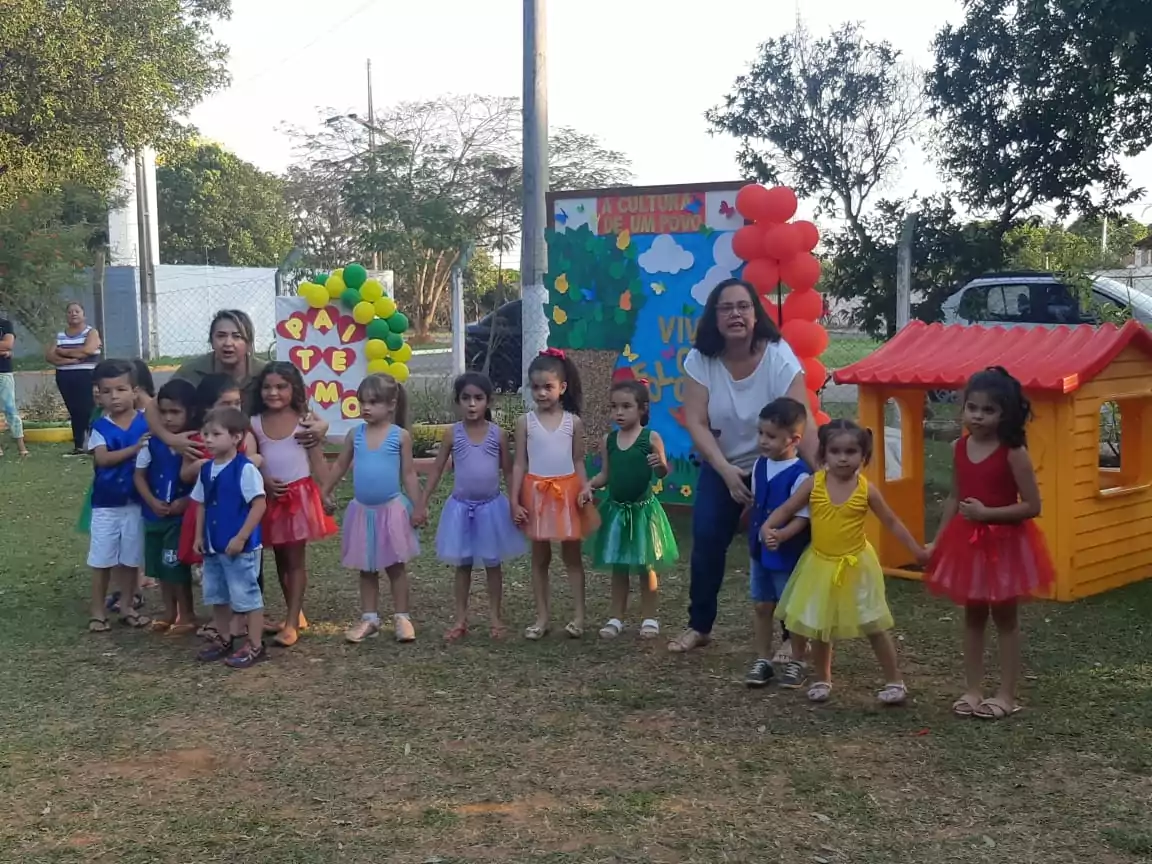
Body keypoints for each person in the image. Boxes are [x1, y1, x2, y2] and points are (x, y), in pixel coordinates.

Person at [671, 278, 818, 654]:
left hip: (780, 467)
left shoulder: (779, 355)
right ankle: (699, 625)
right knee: (705, 540)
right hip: (725, 465)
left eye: (743, 306)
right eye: (726, 307)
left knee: (785, 546)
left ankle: (791, 636)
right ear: (714, 317)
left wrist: (821, 475)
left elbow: (802, 420)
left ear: (756, 313)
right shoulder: (700, 359)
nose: (735, 314)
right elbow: (696, 422)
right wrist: (724, 471)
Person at [767, 420, 927, 705]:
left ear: (863, 456)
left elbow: (891, 521)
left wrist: (916, 549)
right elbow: (787, 509)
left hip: (856, 565)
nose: (843, 458)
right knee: (820, 625)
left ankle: (894, 680)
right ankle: (822, 678)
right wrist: (769, 528)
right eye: (835, 451)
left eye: (851, 451)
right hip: (819, 564)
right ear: (823, 455)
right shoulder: (813, 483)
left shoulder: (867, 490)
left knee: (874, 623)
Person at [925, 367, 1053, 721]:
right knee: (973, 616)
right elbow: (955, 495)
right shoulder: (959, 447)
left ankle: (1007, 694)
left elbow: (1032, 506)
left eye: (988, 410)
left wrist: (988, 513)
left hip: (1005, 544)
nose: (978, 416)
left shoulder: (1013, 452)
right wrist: (937, 540)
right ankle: (973, 689)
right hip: (967, 544)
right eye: (972, 407)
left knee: (1006, 618)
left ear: (1005, 413)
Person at [419, 372, 524, 642]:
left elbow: (510, 472)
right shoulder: (452, 434)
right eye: (466, 398)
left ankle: (495, 619)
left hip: (491, 509)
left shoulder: (498, 435)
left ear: (489, 401)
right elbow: (437, 469)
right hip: (460, 509)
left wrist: (514, 502)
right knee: (463, 564)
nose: (472, 404)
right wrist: (423, 500)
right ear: (457, 402)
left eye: (478, 398)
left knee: (492, 563)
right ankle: (460, 619)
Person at [323, 373, 424, 644]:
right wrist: (326, 489)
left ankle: (402, 616)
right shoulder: (355, 434)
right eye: (362, 402)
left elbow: (409, 474)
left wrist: (419, 506)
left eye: (373, 402)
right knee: (366, 568)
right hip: (362, 512)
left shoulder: (399, 436)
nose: (366, 408)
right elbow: (341, 465)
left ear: (391, 404)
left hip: (391, 511)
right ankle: (369, 618)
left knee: (395, 566)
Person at [146, 310, 328, 457]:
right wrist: (170, 439)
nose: (228, 343)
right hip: (205, 450)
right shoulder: (193, 370)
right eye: (221, 336)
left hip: (255, 449)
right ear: (211, 341)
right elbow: (152, 406)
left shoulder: (264, 373)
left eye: (237, 336)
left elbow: (297, 404)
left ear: (249, 343)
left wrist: (321, 425)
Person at [511, 348, 599, 640]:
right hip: (535, 494)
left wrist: (585, 487)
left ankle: (578, 616)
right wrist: (514, 500)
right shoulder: (525, 422)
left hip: (567, 494)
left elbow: (577, 461)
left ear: (562, 388)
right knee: (540, 558)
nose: (541, 393)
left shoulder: (573, 422)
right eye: (535, 387)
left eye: (547, 387)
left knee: (572, 556)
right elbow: (520, 463)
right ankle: (542, 617)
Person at [250, 362, 336, 648]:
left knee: (296, 561)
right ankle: (294, 614)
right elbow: (253, 459)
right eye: (267, 387)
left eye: (281, 386)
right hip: (271, 497)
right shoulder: (254, 422)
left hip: (299, 499)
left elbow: (317, 459)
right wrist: (265, 482)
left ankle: (290, 623)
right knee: (280, 560)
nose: (273, 392)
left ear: (294, 389)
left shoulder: (305, 419)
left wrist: (326, 492)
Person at [586, 378, 677, 640]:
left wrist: (658, 462)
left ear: (642, 409)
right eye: (614, 407)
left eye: (626, 406)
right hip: (616, 512)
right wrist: (589, 486)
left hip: (643, 513)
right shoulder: (609, 440)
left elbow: (662, 472)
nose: (619, 412)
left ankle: (649, 617)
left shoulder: (651, 438)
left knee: (645, 565)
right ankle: (616, 617)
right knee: (619, 565)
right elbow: (605, 475)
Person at [191, 407, 268, 669]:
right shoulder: (205, 470)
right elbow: (200, 504)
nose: (208, 439)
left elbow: (259, 505)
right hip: (213, 545)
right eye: (205, 434)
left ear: (237, 437)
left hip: (240, 547)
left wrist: (241, 537)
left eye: (215, 434)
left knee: (247, 595)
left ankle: (255, 644)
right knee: (217, 594)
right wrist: (199, 536)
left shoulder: (244, 470)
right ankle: (224, 639)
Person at [746, 397, 812, 689]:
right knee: (762, 604)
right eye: (760, 433)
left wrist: (782, 535)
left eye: (771, 436)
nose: (763, 441)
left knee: (792, 609)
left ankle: (798, 659)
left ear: (793, 439)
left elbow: (802, 518)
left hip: (787, 555)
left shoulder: (801, 475)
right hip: (759, 552)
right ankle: (763, 658)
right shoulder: (760, 465)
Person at [85, 360, 150, 632]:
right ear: (98, 394)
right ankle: (98, 611)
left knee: (130, 558)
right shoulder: (100, 427)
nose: (115, 397)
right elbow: (103, 459)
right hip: (106, 506)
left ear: (135, 391)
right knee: (102, 559)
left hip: (136, 503)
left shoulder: (147, 421)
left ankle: (127, 606)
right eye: (107, 391)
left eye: (121, 389)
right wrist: (135, 448)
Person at [134, 379, 201, 635]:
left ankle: (187, 613)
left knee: (176, 566)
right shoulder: (152, 442)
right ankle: (169, 611)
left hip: (179, 519)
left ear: (191, 412)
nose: (169, 418)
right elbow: (139, 476)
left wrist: (185, 503)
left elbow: (203, 478)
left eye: (176, 412)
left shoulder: (196, 442)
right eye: (163, 412)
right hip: (154, 516)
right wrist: (151, 501)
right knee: (160, 567)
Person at [45, 301, 101, 455]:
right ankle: (78, 446)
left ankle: (93, 444)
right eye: (70, 312)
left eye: (77, 311)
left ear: (84, 315)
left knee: (88, 408)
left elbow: (89, 350)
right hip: (64, 376)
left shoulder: (91, 332)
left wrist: (63, 352)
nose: (73, 314)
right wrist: (71, 359)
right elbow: (50, 355)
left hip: (86, 375)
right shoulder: (60, 335)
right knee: (74, 410)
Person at [0, 314, 28, 457]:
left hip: (3, 372)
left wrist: (6, 348)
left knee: (10, 408)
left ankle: (21, 447)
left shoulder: (5, 324)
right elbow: (4, 346)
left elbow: (8, 344)